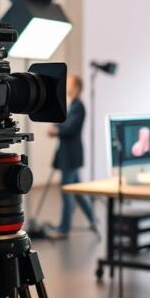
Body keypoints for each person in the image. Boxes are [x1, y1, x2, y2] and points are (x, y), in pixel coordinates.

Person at [48, 74, 96, 238]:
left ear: (76, 87)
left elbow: (70, 128)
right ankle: (93, 219)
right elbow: (64, 123)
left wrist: (56, 131)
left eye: (69, 84)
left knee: (67, 191)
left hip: (71, 155)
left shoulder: (78, 106)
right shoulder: (72, 105)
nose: (66, 86)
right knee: (77, 191)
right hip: (68, 154)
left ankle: (64, 228)